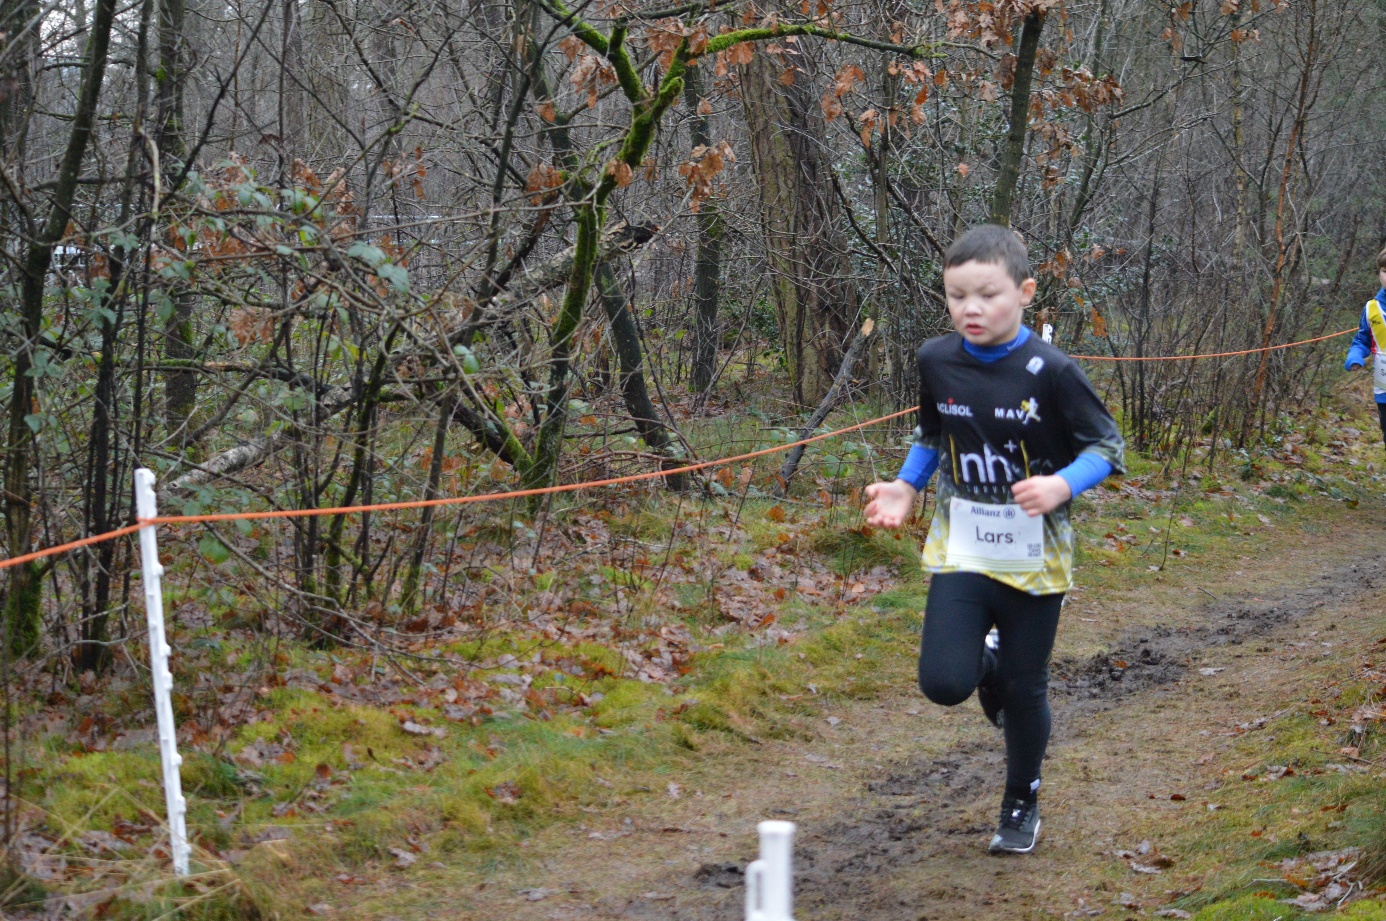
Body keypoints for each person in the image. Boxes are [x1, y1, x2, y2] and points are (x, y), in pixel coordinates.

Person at [863, 225, 1125, 855]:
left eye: (987, 295)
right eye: (957, 297)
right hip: (963, 542)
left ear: (1025, 292)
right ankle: (988, 670)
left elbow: (1106, 447)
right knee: (943, 682)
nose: (971, 310)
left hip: (1036, 552)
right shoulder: (936, 359)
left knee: (1026, 686)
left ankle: (1021, 800)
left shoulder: (1054, 371)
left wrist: (1062, 484)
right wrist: (905, 488)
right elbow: (932, 435)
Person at [1341, 246, 1386, 446]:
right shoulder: (1371, 308)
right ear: (1379, 274)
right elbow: (1362, 340)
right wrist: (1355, 357)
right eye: (1385, 271)